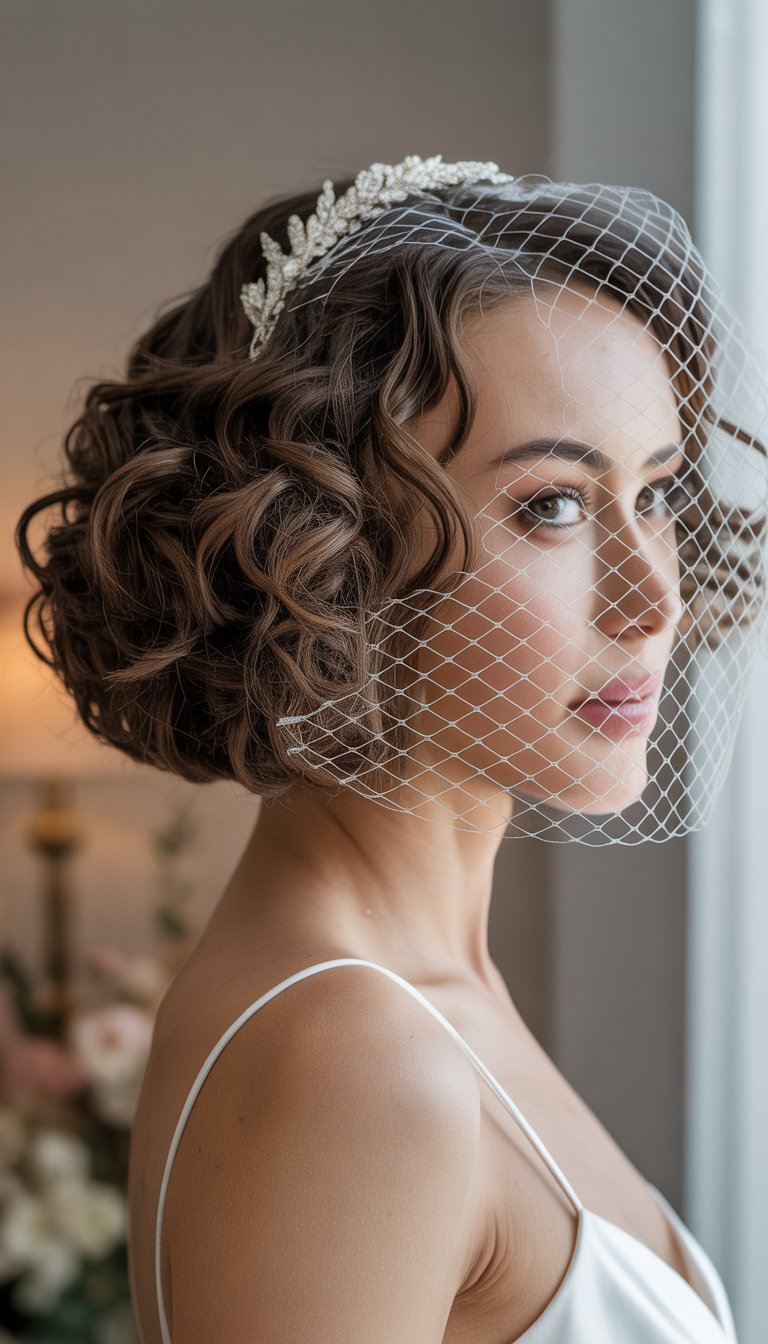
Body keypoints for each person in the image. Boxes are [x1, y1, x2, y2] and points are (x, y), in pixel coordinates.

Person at [16, 156, 765, 1342]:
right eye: (553, 506)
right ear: (331, 549)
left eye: (657, 494)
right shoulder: (354, 1055)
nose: (652, 598)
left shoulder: (421, 992)